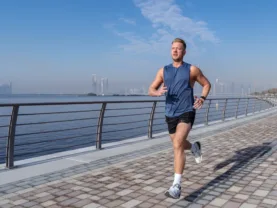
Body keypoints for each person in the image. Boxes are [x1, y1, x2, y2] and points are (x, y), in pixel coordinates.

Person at [148, 38, 211, 199]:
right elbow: (151, 89)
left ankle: (176, 186)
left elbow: (206, 84)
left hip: (187, 111)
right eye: (173, 48)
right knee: (179, 144)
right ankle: (194, 148)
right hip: (170, 113)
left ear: (184, 52)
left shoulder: (192, 70)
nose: (175, 51)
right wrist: (158, 92)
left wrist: (202, 98)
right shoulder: (163, 71)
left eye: (178, 49)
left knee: (177, 144)